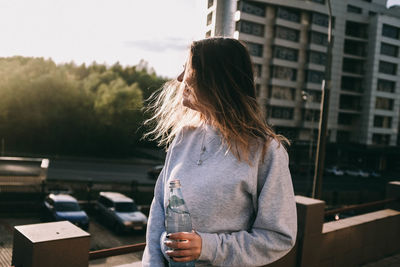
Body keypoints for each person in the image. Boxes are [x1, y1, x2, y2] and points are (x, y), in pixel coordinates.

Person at [142, 37, 297, 267]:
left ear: (214, 80)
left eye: (188, 70)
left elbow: (278, 237)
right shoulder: (183, 138)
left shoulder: (266, 151)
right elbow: (158, 214)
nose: (180, 78)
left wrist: (208, 247)